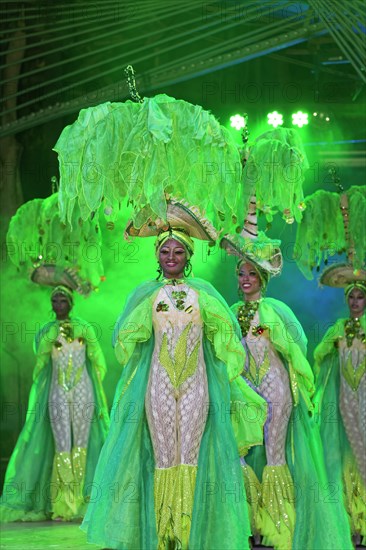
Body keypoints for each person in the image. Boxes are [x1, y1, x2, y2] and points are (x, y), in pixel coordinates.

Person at [81, 203, 267, 550]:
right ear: (157, 255)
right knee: (165, 455)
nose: (171, 256)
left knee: (191, 455)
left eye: (178, 251)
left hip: (197, 384)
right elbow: (123, 338)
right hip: (158, 385)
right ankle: (165, 536)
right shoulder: (148, 295)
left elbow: (227, 340)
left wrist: (226, 372)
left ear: (188, 255)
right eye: (165, 251)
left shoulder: (203, 295)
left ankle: (189, 535)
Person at [220, 227, 353, 550]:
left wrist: (300, 388)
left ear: (263, 279)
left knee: (274, 455)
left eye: (252, 273)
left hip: (276, 392)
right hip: (244, 394)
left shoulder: (276, 311)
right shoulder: (231, 313)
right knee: (245, 454)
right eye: (241, 273)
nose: (246, 279)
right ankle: (250, 524)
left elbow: (297, 347)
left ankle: (280, 528)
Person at [0, 277, 109, 522]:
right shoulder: (47, 331)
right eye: (55, 300)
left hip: (83, 390)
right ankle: (62, 504)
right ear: (51, 304)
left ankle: (80, 501)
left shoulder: (85, 328)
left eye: (63, 300)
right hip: (58, 390)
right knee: (62, 444)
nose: (59, 304)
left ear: (71, 302)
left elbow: (98, 362)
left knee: (81, 444)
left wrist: (93, 387)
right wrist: (40, 392)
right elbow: (40, 366)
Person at [313, 272, 365, 543]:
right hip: (344, 400)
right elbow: (319, 355)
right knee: (346, 455)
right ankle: (350, 524)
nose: (355, 302)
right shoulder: (338, 327)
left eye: (360, 297)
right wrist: (333, 346)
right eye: (351, 297)